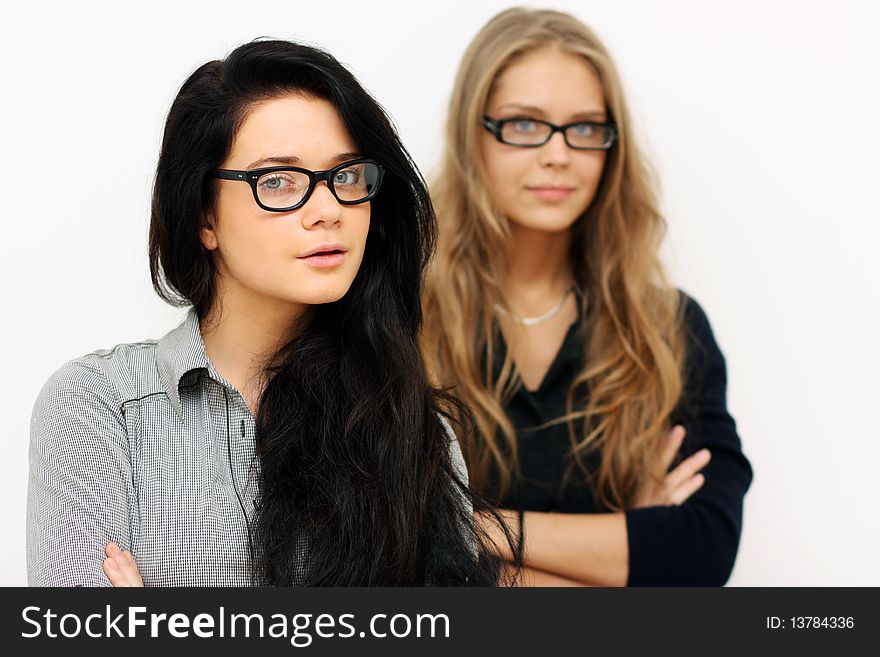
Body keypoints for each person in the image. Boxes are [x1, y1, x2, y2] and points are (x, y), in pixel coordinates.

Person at [27, 39, 509, 587]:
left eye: (347, 175)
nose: (328, 210)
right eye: (277, 181)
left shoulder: (416, 430)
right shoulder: (99, 408)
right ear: (204, 216)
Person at [422, 8, 753, 586]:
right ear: (471, 133)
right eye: (524, 124)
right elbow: (388, 555)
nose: (558, 153)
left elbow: (703, 552)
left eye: (584, 128)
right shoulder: (399, 317)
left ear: (610, 146)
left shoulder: (669, 328)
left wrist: (473, 526)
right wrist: (627, 548)